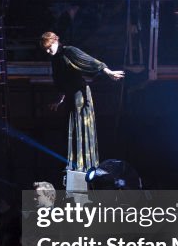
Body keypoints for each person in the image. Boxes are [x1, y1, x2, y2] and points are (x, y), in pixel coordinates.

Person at [40, 31, 125, 173]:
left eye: (49, 48)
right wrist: (59, 100)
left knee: (82, 127)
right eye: (46, 50)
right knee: (72, 128)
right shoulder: (55, 59)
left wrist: (109, 72)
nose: (48, 52)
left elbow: (91, 61)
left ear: (55, 42)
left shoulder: (69, 51)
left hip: (80, 94)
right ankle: (76, 164)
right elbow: (60, 81)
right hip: (70, 95)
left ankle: (85, 165)